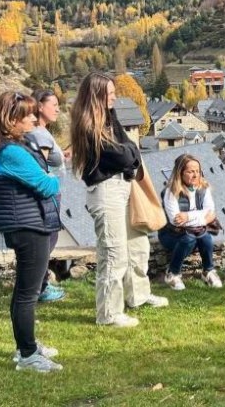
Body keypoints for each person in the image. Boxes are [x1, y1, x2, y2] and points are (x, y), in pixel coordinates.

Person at [70, 72, 168, 328]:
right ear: (96, 96)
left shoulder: (109, 117)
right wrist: (130, 153)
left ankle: (138, 295)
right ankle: (109, 314)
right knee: (113, 254)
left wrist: (130, 153)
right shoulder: (88, 126)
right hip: (106, 191)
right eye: (110, 93)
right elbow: (126, 155)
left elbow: (130, 148)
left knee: (137, 245)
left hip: (123, 187)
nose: (114, 97)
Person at [0, 91, 63, 373]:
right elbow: (47, 185)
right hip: (29, 226)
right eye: (26, 115)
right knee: (28, 293)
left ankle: (27, 346)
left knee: (24, 291)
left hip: (24, 223)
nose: (32, 119)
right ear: (10, 119)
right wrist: (54, 178)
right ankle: (28, 355)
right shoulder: (10, 152)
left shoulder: (1, 147)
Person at [25, 89, 68, 303]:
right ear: (40, 106)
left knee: (47, 240)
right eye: (54, 105)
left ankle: (38, 286)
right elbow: (40, 166)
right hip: (47, 196)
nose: (58, 109)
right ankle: (39, 288)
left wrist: (62, 156)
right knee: (47, 241)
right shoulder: (39, 134)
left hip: (49, 194)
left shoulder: (40, 131)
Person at [158, 154, 223, 291]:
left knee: (205, 237)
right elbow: (176, 221)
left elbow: (211, 212)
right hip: (171, 234)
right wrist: (203, 218)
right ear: (180, 173)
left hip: (195, 232)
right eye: (190, 171)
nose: (195, 175)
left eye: (197, 171)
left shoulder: (203, 188)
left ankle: (208, 272)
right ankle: (173, 273)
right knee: (189, 238)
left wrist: (187, 216)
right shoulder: (170, 192)